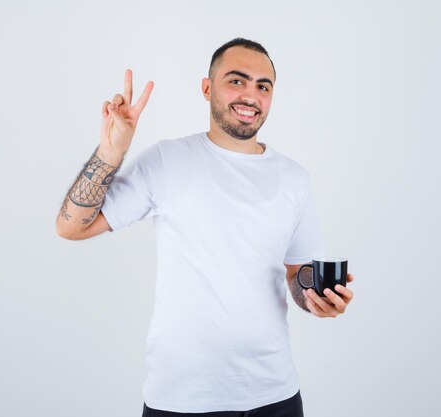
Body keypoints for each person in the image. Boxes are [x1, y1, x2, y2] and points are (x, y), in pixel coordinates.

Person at [56, 37, 355, 416]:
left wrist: (316, 298)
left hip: (275, 394)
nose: (251, 95)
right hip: (182, 398)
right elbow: (71, 227)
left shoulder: (294, 178)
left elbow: (298, 273)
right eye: (237, 81)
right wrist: (110, 153)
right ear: (207, 87)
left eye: (263, 86)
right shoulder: (168, 160)